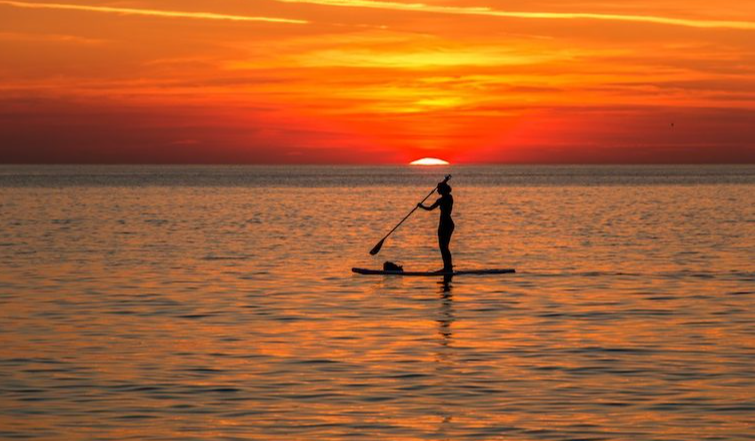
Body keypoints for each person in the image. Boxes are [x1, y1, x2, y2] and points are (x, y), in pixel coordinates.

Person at [418, 181, 454, 272]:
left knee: (444, 246)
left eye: (439, 189)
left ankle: (448, 267)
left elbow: (430, 208)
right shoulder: (449, 197)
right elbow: (430, 208)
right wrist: (443, 182)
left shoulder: (443, 200)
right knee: (444, 246)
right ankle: (448, 266)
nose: (437, 190)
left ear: (442, 190)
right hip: (446, 224)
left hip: (445, 224)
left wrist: (421, 206)